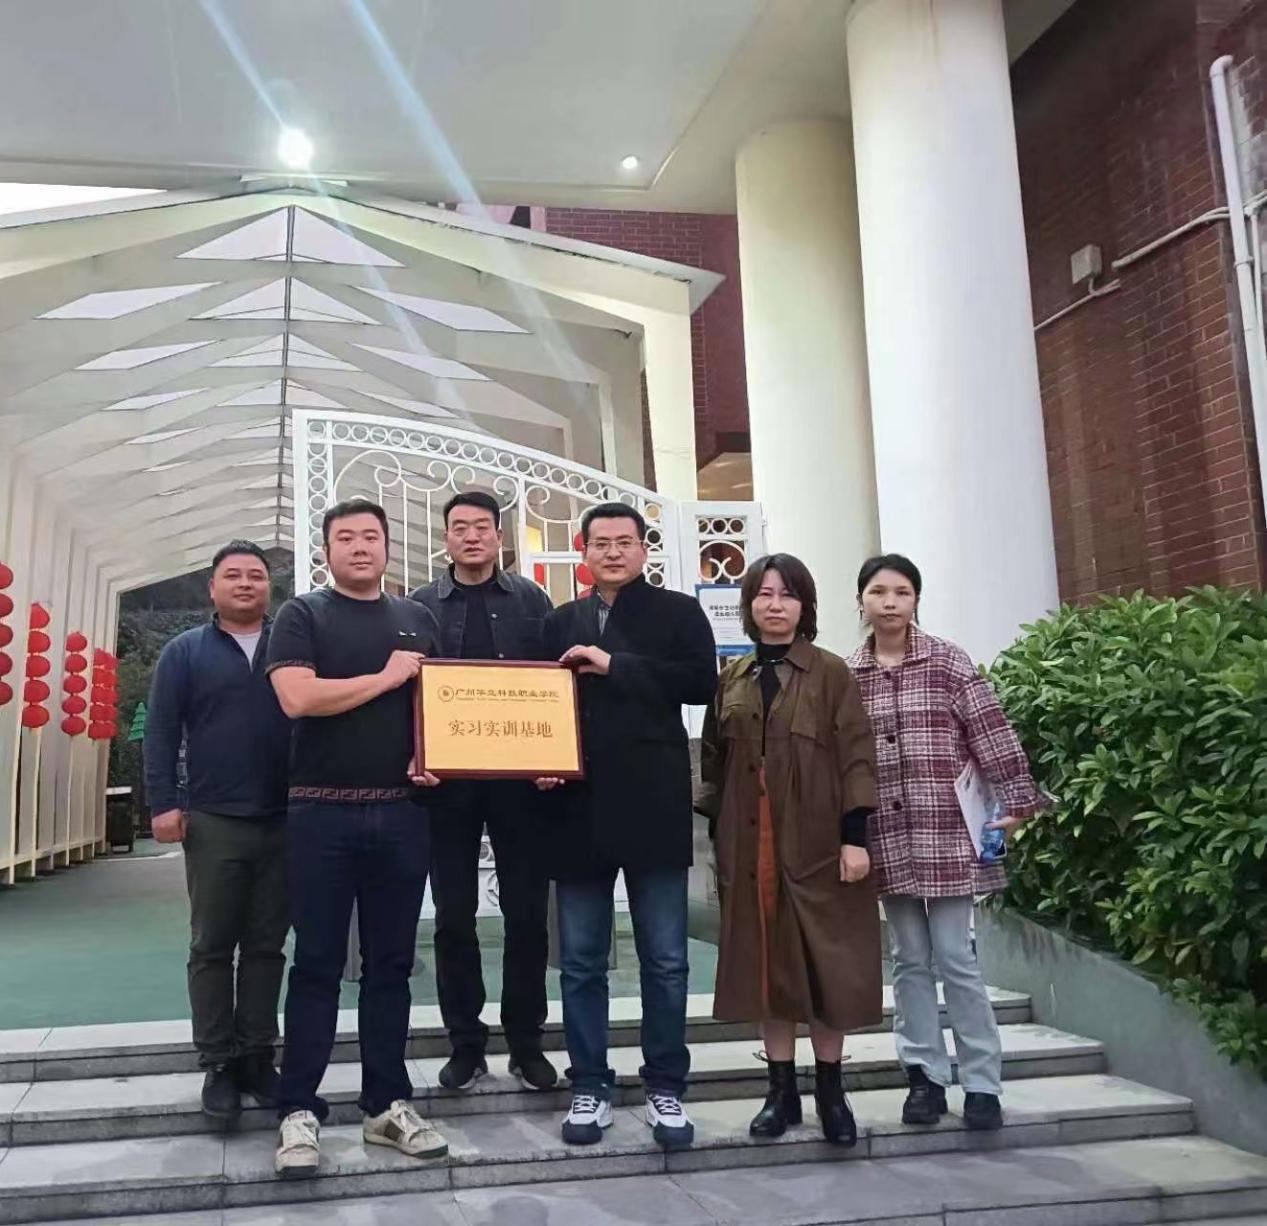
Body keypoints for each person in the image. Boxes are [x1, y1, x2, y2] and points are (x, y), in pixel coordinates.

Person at [266, 498, 447, 1177]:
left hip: (402, 813)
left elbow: (439, 705)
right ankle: (298, 1109)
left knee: (391, 966)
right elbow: (299, 697)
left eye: (371, 536)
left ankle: (386, 1104)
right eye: (346, 537)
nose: (360, 547)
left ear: (388, 546)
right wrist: (387, 677)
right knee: (315, 964)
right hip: (321, 814)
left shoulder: (418, 619)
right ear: (327, 551)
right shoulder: (302, 615)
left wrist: (434, 754)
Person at [846, 554, 1047, 1133]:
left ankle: (982, 1083)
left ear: (916, 599)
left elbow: (992, 733)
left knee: (957, 957)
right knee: (909, 959)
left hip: (948, 832)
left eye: (901, 591)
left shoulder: (948, 661)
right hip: (887, 835)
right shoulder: (847, 673)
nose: (890, 602)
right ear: (861, 600)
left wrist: (1017, 802)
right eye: (878, 591)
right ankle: (924, 1078)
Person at [539, 502, 717, 1149]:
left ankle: (665, 1086)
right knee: (581, 962)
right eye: (601, 543)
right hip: (576, 807)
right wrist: (538, 761)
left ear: (644, 550)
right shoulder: (558, 621)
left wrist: (614, 665)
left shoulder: (678, 613)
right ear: (583, 551)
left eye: (624, 542)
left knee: (665, 961)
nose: (612, 552)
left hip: (652, 804)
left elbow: (700, 683)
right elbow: (537, 702)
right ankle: (589, 1083)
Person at [697, 554, 880, 1146]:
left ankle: (831, 1091)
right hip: (751, 847)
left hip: (821, 844)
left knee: (828, 966)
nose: (774, 605)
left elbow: (857, 756)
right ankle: (780, 1093)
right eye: (763, 594)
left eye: (787, 595)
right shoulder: (733, 676)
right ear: (748, 606)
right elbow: (714, 761)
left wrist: (855, 838)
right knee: (765, 967)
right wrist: (719, 837)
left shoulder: (831, 673)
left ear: (805, 607)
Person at [409, 490, 557, 1094]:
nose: (471, 536)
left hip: (521, 785)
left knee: (526, 915)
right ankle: (465, 1045)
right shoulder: (420, 605)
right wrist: (416, 756)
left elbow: (553, 685)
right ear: (445, 538)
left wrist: (554, 756)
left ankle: (526, 1043)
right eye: (459, 527)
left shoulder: (532, 600)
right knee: (453, 917)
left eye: (481, 527)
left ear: (499, 536)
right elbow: (409, 691)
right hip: (446, 786)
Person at [144, 540, 292, 1121]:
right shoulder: (185, 652)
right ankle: (218, 1063)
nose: (245, 584)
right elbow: (161, 731)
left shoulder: (292, 645)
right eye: (233, 575)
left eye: (256, 575)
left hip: (285, 817)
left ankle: (257, 1056)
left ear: (269, 587)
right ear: (212, 587)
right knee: (211, 945)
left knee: (266, 945)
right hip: (213, 819)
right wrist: (164, 804)